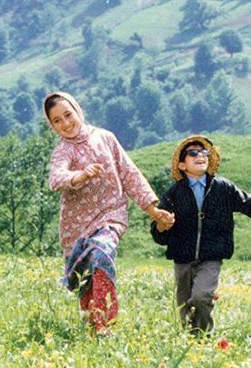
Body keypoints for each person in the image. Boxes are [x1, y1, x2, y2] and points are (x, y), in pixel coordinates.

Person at [44, 91, 174, 333]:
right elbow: (55, 179)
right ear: (52, 126)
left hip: (110, 216)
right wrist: (79, 175)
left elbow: (129, 174)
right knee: (85, 283)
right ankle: (93, 331)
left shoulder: (105, 138)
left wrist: (153, 211)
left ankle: (106, 323)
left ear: (77, 110)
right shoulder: (63, 150)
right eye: (57, 121)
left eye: (68, 115)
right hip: (76, 227)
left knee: (101, 255)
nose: (65, 123)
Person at [151, 135, 251, 335]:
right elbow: (158, 234)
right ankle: (189, 342)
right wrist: (162, 225)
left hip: (211, 257)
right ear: (182, 165)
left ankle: (204, 336)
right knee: (184, 306)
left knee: (201, 296)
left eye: (204, 152)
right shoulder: (174, 193)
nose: (200, 156)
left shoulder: (223, 188)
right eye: (192, 153)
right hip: (182, 259)